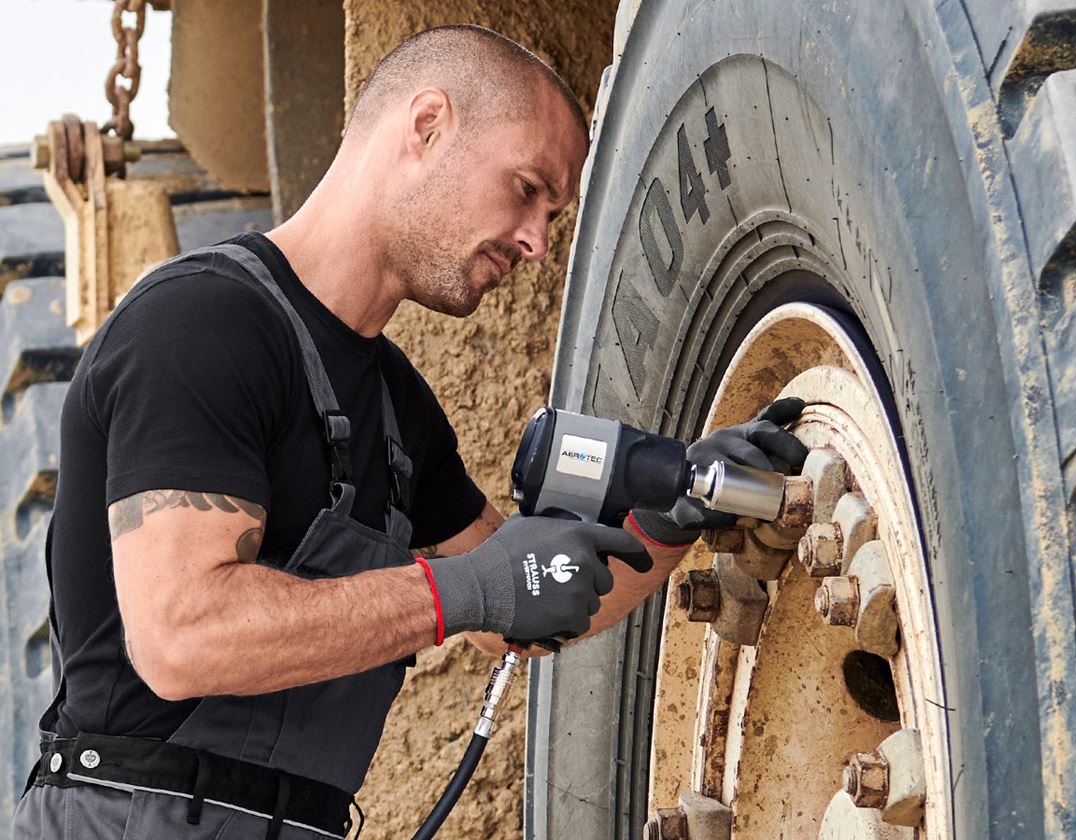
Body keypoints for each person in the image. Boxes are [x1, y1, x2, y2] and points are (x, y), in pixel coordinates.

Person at [13, 24, 806, 840]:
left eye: (552, 212)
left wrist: (682, 515)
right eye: (525, 188)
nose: (536, 241)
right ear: (426, 126)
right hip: (126, 818)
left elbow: (531, 606)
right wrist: (463, 590)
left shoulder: (397, 407)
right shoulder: (198, 326)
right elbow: (182, 637)